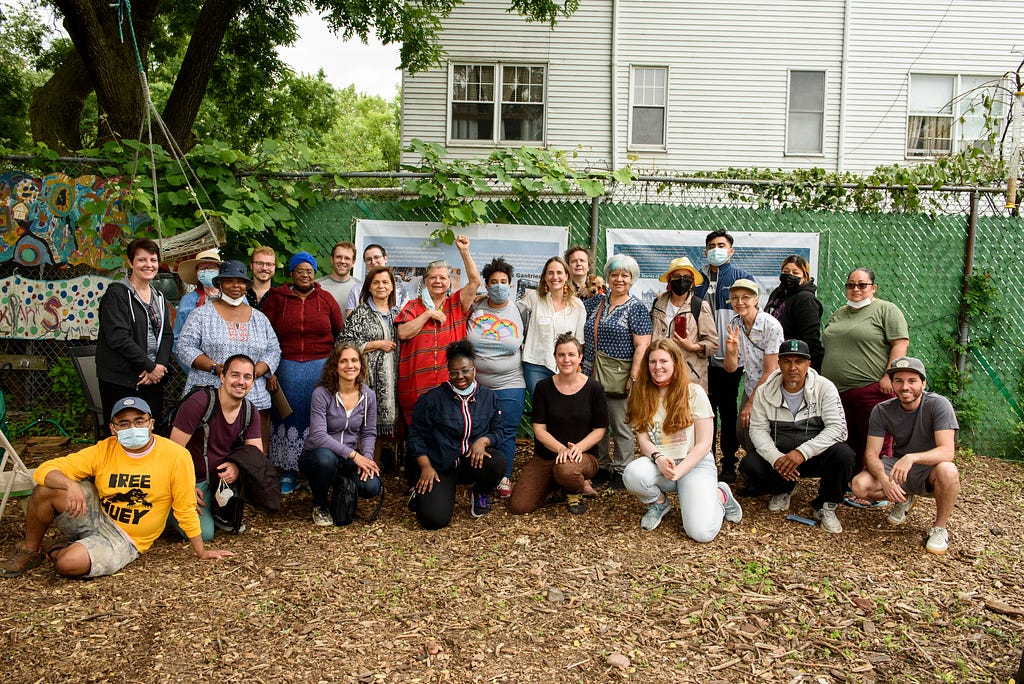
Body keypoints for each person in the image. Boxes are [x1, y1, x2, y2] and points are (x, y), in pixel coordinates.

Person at [0, 397, 232, 578]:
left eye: (139, 420)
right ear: (113, 428)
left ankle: (61, 550)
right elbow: (44, 470)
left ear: (151, 423)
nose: (132, 427)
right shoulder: (105, 448)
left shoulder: (176, 455)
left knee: (66, 564)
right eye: (124, 423)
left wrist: (200, 551)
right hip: (98, 514)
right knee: (46, 490)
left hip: (126, 538)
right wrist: (70, 485)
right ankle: (30, 551)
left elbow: (184, 507)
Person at [622, 339, 742, 541]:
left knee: (701, 533)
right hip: (662, 462)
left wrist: (680, 470)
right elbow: (642, 438)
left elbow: (704, 443)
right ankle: (659, 503)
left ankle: (720, 496)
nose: (657, 367)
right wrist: (658, 458)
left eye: (663, 361)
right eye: (652, 362)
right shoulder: (640, 394)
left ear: (675, 363)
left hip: (694, 464)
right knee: (633, 474)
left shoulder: (693, 392)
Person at [741, 339, 856, 533]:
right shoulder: (764, 391)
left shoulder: (824, 387)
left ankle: (825, 504)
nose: (793, 367)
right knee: (749, 465)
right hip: (782, 456)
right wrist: (776, 458)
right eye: (787, 361)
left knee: (844, 455)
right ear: (779, 363)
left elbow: (838, 429)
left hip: (814, 454)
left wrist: (802, 452)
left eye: (799, 362)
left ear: (808, 364)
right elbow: (757, 430)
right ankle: (784, 488)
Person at [850, 357, 959, 554]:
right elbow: (871, 454)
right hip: (899, 468)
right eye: (898, 381)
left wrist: (912, 457)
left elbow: (947, 451)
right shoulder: (882, 410)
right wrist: (884, 480)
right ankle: (904, 498)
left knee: (948, 470)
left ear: (923, 383)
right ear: (891, 384)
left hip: (929, 469)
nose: (905, 387)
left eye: (912, 381)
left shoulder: (939, 404)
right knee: (859, 486)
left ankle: (939, 528)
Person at [176, 260, 281, 455]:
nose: (235, 286)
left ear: (246, 286)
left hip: (252, 392)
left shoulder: (259, 318)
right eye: (229, 281)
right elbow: (184, 346)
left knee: (252, 451)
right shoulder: (201, 315)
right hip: (210, 389)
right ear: (219, 284)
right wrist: (215, 367)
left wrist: (255, 372)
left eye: (240, 282)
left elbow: (274, 350)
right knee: (209, 449)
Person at [262, 252, 345, 494]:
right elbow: (267, 336)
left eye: (309, 271)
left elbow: (340, 334)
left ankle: (316, 471)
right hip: (285, 367)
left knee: (317, 419)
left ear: (315, 273)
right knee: (288, 416)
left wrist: (335, 370)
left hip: (320, 368)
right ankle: (289, 471)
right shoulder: (276, 299)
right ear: (291, 273)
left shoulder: (326, 299)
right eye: (300, 270)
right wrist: (271, 370)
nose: (305, 275)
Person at [406, 341, 506, 530]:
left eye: (465, 370)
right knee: (433, 520)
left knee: (497, 462)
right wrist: (425, 466)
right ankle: (421, 493)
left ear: (474, 370)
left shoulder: (488, 397)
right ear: (448, 372)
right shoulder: (432, 399)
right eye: (453, 372)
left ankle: (479, 492)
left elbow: (499, 431)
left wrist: (483, 441)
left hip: (471, 462)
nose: (460, 376)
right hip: (440, 466)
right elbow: (416, 435)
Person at [821, 267, 909, 474]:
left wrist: (890, 375)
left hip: (870, 390)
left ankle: (876, 486)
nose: (856, 289)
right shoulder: (839, 313)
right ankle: (852, 482)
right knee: (846, 441)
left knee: (875, 441)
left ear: (873, 287)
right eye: (851, 285)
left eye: (862, 285)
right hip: (836, 393)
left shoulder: (887, 310)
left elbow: (900, 343)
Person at [168, 355, 266, 539]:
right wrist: (184, 487)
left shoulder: (250, 410)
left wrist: (237, 467)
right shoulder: (199, 402)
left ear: (253, 382)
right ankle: (166, 510)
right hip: (191, 480)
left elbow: (256, 455)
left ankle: (222, 513)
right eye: (234, 375)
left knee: (253, 470)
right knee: (204, 534)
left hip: (218, 479)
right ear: (222, 377)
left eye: (247, 377)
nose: (241, 382)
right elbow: (172, 452)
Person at [508, 333, 607, 515]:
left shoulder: (594, 388)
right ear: (555, 357)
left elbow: (600, 429)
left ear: (580, 357)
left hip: (582, 456)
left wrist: (576, 449)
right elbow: (539, 428)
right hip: (547, 455)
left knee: (566, 469)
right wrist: (561, 449)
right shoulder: (543, 388)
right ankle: (558, 481)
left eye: (571, 354)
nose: (566, 359)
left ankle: (573, 489)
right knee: (519, 506)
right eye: (561, 355)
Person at [582, 254, 653, 489]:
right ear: (607, 278)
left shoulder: (637, 308)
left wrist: (633, 377)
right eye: (614, 274)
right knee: (597, 423)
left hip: (620, 376)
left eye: (624, 275)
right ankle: (602, 466)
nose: (619, 279)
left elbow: (642, 345)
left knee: (621, 425)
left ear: (632, 279)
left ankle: (622, 470)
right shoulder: (594, 303)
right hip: (590, 373)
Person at [396, 234, 481, 426]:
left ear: (450, 282)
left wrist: (464, 251)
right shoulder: (412, 306)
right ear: (425, 281)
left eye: (443, 277)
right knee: (419, 437)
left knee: (450, 433)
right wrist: (427, 315)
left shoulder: (456, 304)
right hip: (416, 387)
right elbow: (403, 333)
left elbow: (475, 282)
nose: (438, 281)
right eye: (433, 277)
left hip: (450, 385)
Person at [694, 229, 755, 483]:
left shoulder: (741, 278)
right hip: (700, 359)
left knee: (728, 412)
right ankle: (704, 460)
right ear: (706, 251)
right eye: (711, 246)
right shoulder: (697, 279)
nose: (716, 249)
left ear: (731, 251)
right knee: (703, 413)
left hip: (730, 361)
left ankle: (728, 461)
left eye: (721, 245)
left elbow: (749, 315)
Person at [299, 343, 381, 526]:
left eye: (354, 360)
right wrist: (354, 455)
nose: (349, 365)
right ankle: (319, 503)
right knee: (326, 460)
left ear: (361, 364)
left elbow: (368, 432)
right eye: (343, 361)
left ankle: (339, 485)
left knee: (372, 486)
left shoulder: (368, 396)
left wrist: (366, 458)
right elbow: (319, 435)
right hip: (317, 455)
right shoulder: (322, 394)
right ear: (335, 365)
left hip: (346, 459)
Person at [96, 237, 174, 426]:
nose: (149, 265)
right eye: (142, 260)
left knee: (150, 432)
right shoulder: (117, 294)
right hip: (122, 379)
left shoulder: (159, 297)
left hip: (152, 379)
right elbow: (118, 338)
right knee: (122, 433)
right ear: (130, 263)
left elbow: (166, 334)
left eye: (153, 260)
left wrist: (159, 367)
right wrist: (148, 365)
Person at [466, 257, 526, 498]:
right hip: (476, 385)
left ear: (511, 285)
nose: (499, 286)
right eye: (494, 282)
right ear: (486, 286)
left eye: (503, 282)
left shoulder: (521, 309)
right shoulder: (475, 307)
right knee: (477, 431)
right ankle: (478, 476)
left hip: (510, 383)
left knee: (507, 431)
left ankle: (503, 477)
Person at [337, 266, 401, 463]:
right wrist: (373, 345)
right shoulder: (360, 313)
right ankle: (354, 466)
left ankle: (373, 467)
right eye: (376, 282)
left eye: (385, 282)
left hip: (392, 379)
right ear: (369, 287)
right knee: (362, 423)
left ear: (392, 287)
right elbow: (342, 343)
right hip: (366, 377)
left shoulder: (398, 314)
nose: (381, 286)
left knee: (378, 428)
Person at [723, 279, 783, 460]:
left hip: (771, 389)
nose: (740, 302)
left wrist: (750, 404)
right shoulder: (735, 323)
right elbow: (731, 368)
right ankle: (757, 472)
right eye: (735, 298)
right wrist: (731, 351)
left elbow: (771, 370)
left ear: (756, 299)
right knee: (742, 433)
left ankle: (771, 475)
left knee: (761, 434)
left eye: (745, 297)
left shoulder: (770, 325)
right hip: (750, 386)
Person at [518, 255, 587, 398]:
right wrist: (485, 299)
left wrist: (576, 366)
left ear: (567, 276)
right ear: (544, 277)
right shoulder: (534, 298)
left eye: (559, 272)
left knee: (563, 410)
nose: (555, 277)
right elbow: (509, 310)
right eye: (550, 273)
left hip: (566, 365)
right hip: (536, 364)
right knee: (541, 409)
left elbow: (580, 342)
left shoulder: (577, 306)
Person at [649, 256, 718, 391]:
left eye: (686, 277)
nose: (681, 280)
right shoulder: (658, 304)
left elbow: (713, 343)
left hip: (689, 377)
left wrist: (692, 346)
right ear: (669, 280)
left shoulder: (699, 306)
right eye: (676, 276)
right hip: (659, 375)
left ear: (692, 283)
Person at [764, 255, 824, 371]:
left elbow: (810, 339)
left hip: (794, 363)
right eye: (786, 271)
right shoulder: (778, 293)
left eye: (795, 273)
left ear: (804, 277)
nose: (790, 275)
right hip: (775, 357)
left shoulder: (806, 299)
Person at [173, 248, 222, 354]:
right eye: (202, 268)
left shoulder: (235, 297)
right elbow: (178, 338)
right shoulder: (188, 300)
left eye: (211, 268)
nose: (206, 271)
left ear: (219, 271)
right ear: (196, 273)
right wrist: (191, 366)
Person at [344, 243, 411, 315]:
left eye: (376, 257)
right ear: (365, 263)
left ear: (385, 258)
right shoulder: (356, 290)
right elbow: (350, 320)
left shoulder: (400, 290)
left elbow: (407, 317)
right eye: (368, 259)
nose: (373, 262)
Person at [317, 241, 360, 312]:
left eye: (347, 258)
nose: (342, 261)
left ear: (353, 263)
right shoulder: (317, 286)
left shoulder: (359, 288)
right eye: (339, 257)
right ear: (332, 259)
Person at [247, 245, 277, 310]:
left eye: (269, 264)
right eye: (259, 263)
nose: (264, 268)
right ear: (251, 266)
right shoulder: (240, 292)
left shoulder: (281, 295)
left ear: (275, 267)